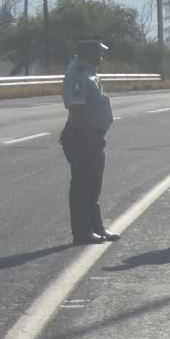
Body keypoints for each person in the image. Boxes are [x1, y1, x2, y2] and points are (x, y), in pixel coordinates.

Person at [59, 38, 116, 244]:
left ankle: (97, 228)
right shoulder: (78, 75)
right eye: (98, 53)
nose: (101, 57)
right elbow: (76, 107)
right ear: (89, 54)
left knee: (93, 185)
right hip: (82, 136)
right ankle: (82, 233)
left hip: (93, 136)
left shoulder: (90, 73)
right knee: (82, 185)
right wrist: (88, 136)